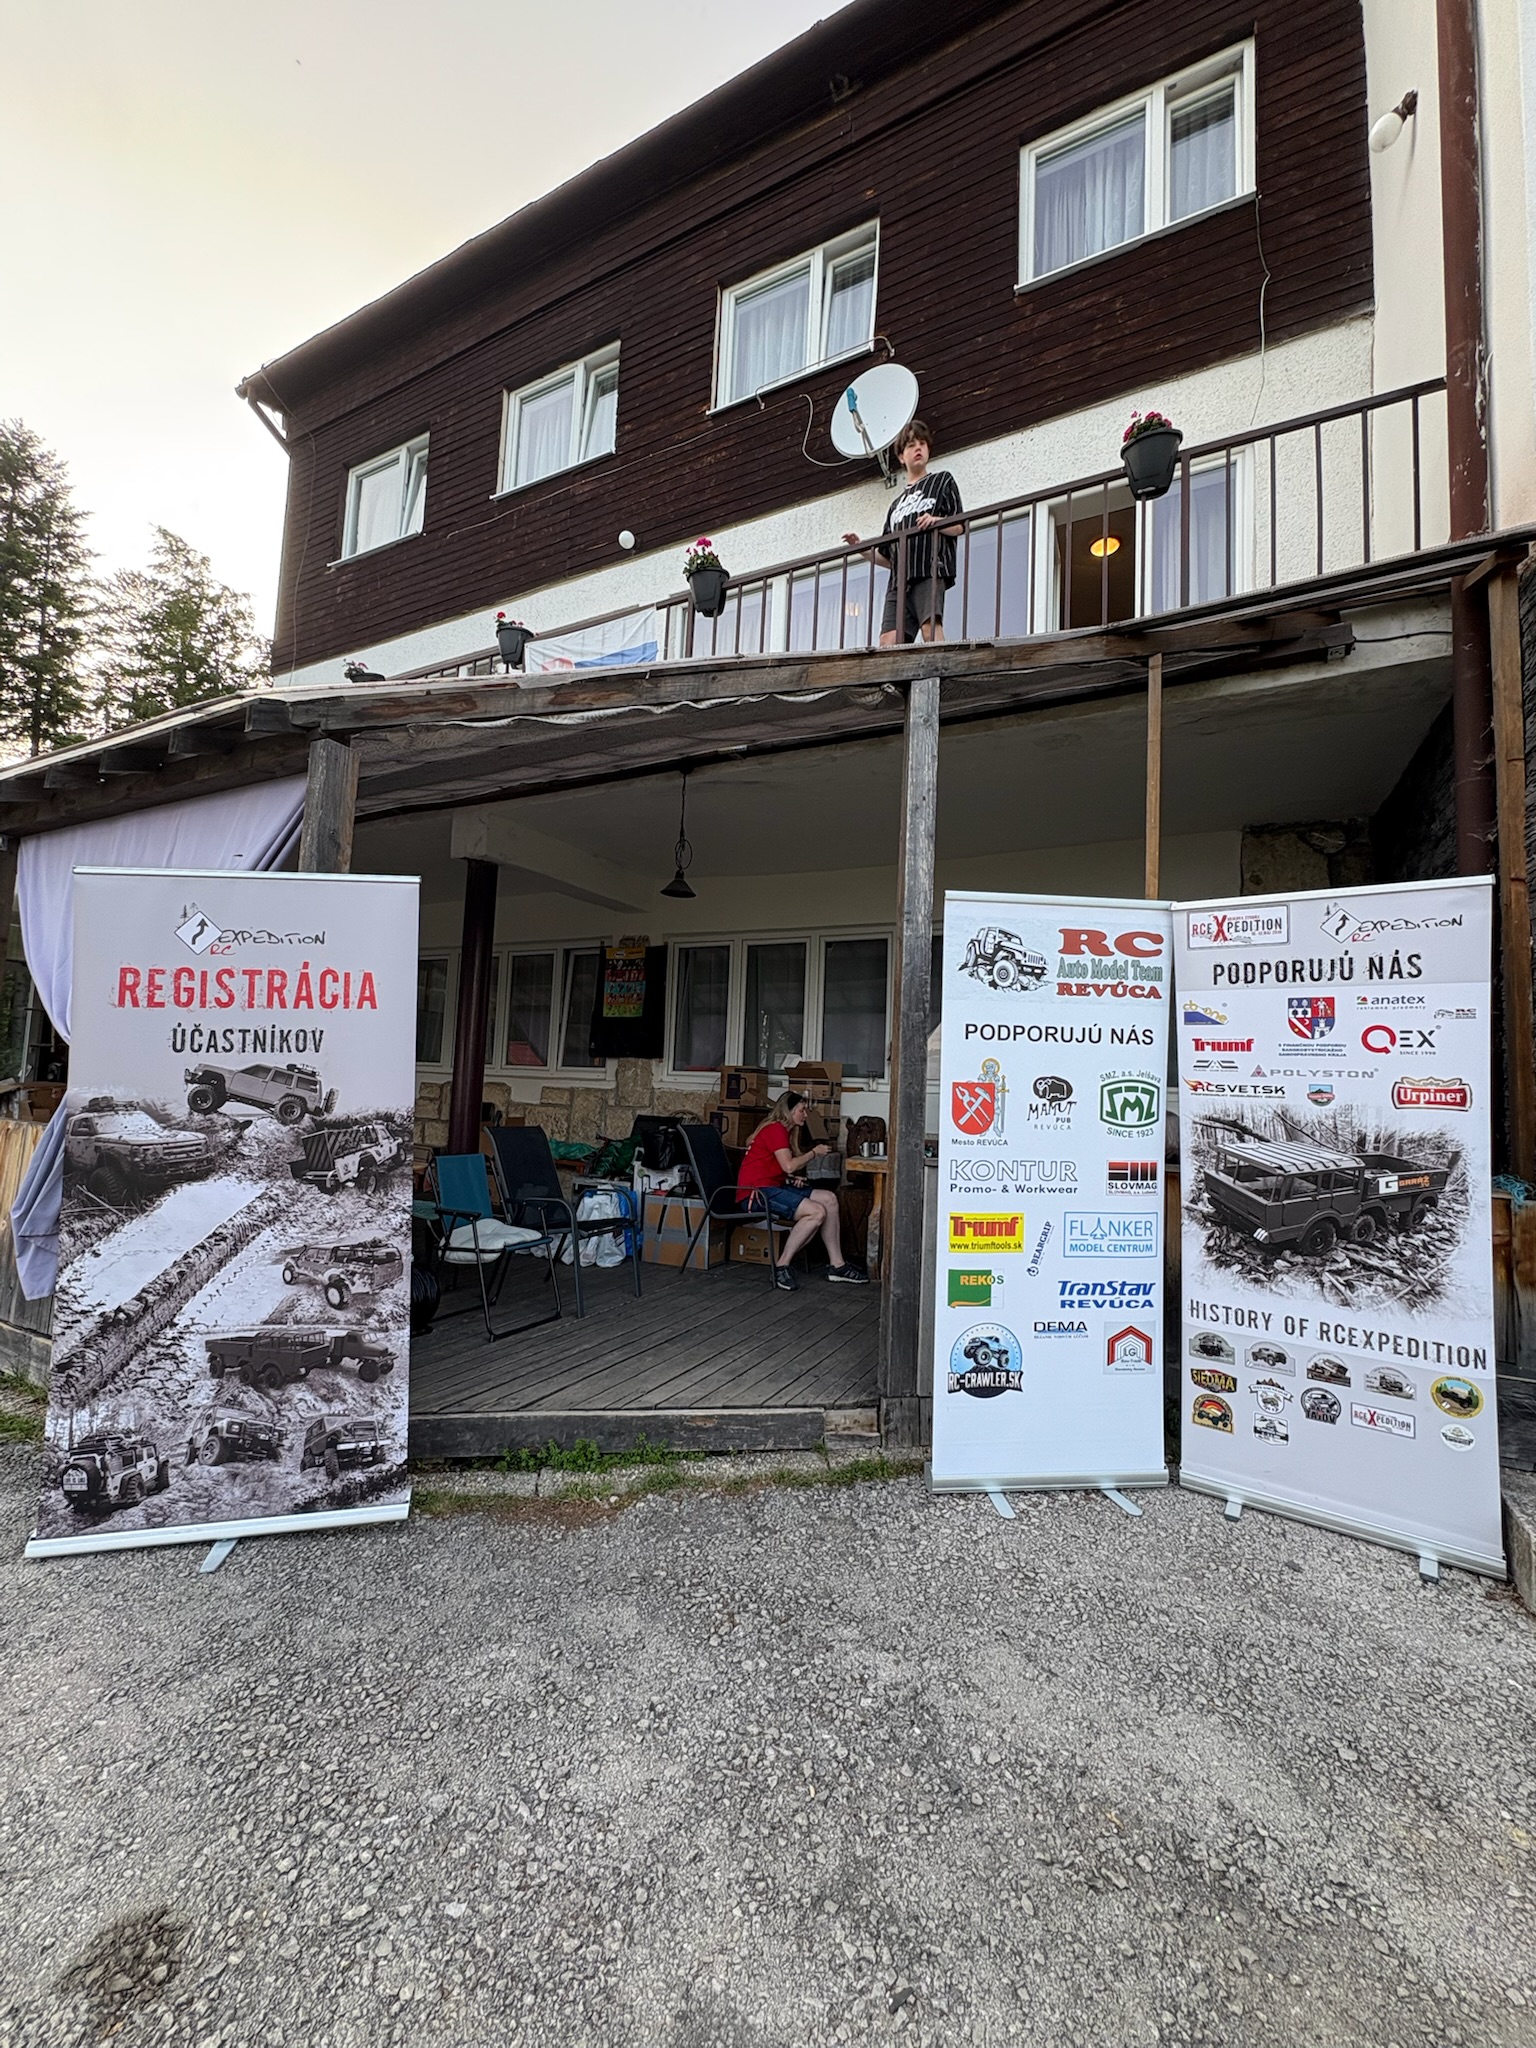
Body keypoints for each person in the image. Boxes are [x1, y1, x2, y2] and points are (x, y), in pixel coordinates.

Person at [842, 420, 964, 646]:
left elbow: (959, 526)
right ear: (901, 457)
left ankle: (939, 664)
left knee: (930, 628)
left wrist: (936, 522)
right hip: (899, 581)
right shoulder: (895, 506)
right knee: (888, 640)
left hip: (929, 569)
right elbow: (888, 557)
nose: (918, 448)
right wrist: (860, 548)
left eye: (922, 443)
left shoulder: (941, 481)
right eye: (911, 445)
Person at [736, 1091, 868, 1292]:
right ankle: (781, 1266)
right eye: (802, 1110)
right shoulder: (775, 1129)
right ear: (788, 1111)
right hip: (755, 1193)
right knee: (816, 1212)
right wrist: (814, 1153)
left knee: (829, 1199)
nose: (805, 1115)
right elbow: (788, 1165)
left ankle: (837, 1265)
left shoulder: (786, 1131)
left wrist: (789, 1179)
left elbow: (774, 1167)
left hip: (773, 1186)